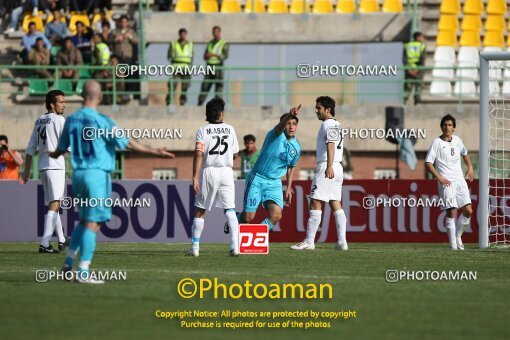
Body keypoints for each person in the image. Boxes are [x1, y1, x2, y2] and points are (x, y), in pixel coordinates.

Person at [49, 80, 175, 284]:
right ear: (99, 97)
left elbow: (59, 149)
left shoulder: (71, 120)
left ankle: (68, 263)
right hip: (96, 175)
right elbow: (126, 143)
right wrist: (153, 151)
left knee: (84, 221)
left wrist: (48, 152)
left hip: (78, 175)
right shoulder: (103, 121)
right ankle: (82, 272)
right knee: (93, 223)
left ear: (82, 96)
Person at [225, 106, 301, 234]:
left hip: (274, 182)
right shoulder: (274, 135)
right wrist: (289, 114)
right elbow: (279, 127)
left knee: (276, 215)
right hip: (257, 178)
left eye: (294, 124)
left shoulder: (297, 147)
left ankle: (257, 237)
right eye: (288, 123)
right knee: (248, 217)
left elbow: (291, 167)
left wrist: (288, 188)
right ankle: (236, 218)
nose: (291, 126)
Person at [291, 96, 348, 251]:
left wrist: (328, 166)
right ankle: (342, 242)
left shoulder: (328, 124)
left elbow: (331, 145)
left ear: (327, 110)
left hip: (327, 166)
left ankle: (309, 242)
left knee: (315, 202)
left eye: (319, 108)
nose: (316, 111)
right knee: (335, 202)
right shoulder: (337, 124)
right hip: (338, 167)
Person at [190, 98, 240, 257]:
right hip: (226, 171)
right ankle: (235, 246)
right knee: (230, 209)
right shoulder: (230, 129)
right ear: (220, 112)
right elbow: (235, 153)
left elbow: (198, 154)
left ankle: (195, 248)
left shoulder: (203, 130)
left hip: (209, 171)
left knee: (200, 210)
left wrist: (194, 177)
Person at [19, 90, 67, 253]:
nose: (64, 105)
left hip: (43, 167)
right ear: (52, 104)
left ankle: (61, 239)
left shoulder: (40, 120)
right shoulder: (59, 120)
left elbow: (31, 147)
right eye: (61, 102)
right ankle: (45, 243)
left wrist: (26, 171)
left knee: (54, 203)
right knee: (55, 204)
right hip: (55, 167)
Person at [425, 114, 474, 250]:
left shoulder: (457, 140)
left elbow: (465, 154)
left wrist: (470, 167)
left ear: (454, 128)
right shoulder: (437, 143)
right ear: (441, 127)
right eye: (445, 125)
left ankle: (458, 236)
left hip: (459, 180)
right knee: (451, 212)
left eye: (450, 125)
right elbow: (428, 163)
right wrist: (439, 177)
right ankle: (453, 247)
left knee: (468, 211)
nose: (447, 127)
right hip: (446, 181)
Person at [198, 26, 229, 106]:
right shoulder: (209, 43)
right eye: (213, 32)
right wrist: (207, 55)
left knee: (218, 89)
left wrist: (213, 54)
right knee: (205, 87)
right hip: (209, 68)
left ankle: (218, 107)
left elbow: (225, 56)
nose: (214, 34)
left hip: (218, 68)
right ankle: (199, 104)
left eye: (216, 32)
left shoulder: (224, 43)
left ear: (219, 32)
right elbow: (205, 56)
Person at [167, 28, 193, 106]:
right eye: (182, 34)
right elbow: (169, 55)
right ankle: (169, 102)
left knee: (185, 87)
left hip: (186, 68)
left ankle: (182, 102)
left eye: (184, 34)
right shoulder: (173, 43)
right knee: (172, 86)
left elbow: (192, 57)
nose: (183, 35)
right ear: (179, 34)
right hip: (176, 68)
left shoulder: (190, 44)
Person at [404, 31, 426, 105]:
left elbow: (404, 59)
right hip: (418, 71)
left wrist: (409, 70)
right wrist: (417, 69)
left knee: (407, 87)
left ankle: (404, 103)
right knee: (418, 87)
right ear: (417, 37)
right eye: (422, 36)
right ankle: (417, 103)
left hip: (409, 70)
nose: (423, 38)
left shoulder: (407, 45)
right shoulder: (422, 46)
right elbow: (422, 60)